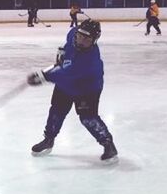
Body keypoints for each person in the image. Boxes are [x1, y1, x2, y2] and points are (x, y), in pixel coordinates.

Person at [27, 19, 117, 164]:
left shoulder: (89, 61)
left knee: (87, 118)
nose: (81, 40)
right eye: (80, 35)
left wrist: (42, 77)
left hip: (87, 89)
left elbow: (64, 74)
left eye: (87, 39)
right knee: (56, 110)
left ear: (94, 40)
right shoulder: (73, 33)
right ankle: (49, 139)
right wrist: (62, 53)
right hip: (66, 85)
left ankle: (108, 145)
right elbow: (67, 46)